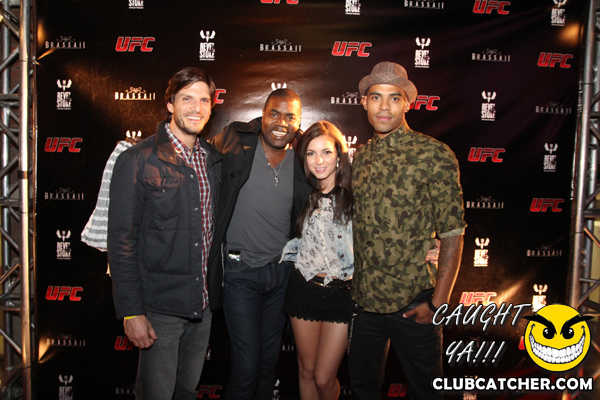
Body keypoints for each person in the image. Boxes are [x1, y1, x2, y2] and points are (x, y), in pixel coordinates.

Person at [348, 61, 467, 400]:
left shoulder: (434, 154)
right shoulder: (361, 157)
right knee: (363, 390)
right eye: (376, 97)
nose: (384, 107)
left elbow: (453, 233)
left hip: (414, 303)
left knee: (425, 393)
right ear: (364, 102)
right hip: (365, 304)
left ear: (408, 103)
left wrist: (437, 304)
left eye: (394, 98)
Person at [107, 67, 222, 400]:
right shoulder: (137, 160)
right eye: (187, 98)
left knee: (186, 391)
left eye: (204, 100)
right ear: (170, 104)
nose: (196, 108)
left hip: (203, 305)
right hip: (159, 308)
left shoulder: (212, 160)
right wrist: (132, 311)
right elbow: (121, 242)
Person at [210, 88, 313, 400]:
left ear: (299, 122)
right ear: (262, 116)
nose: (281, 123)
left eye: (290, 116)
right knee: (246, 370)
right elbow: (195, 154)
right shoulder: (235, 141)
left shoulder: (304, 158)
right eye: (274, 114)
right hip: (240, 274)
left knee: (268, 365)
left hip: (281, 276)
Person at [280, 121, 354, 400]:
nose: (319, 160)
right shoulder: (303, 193)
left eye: (326, 152)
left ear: (339, 155)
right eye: (311, 153)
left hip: (341, 294)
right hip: (304, 289)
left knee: (324, 378)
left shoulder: (355, 195)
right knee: (307, 371)